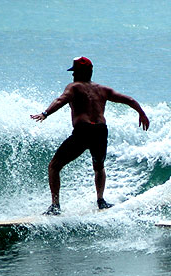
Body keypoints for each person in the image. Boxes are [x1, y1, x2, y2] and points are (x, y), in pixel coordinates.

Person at [31, 56, 150, 215]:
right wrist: (141, 113)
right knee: (99, 166)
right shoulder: (103, 89)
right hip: (100, 130)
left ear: (81, 72)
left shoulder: (74, 87)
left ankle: (55, 206)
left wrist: (45, 113)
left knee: (54, 166)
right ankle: (101, 201)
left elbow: (61, 100)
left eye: (74, 72)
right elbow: (129, 99)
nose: (72, 75)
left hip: (84, 130)